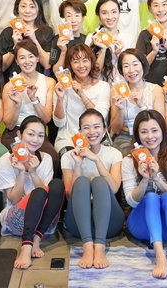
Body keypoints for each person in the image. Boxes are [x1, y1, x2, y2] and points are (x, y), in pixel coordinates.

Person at [122, 110, 167, 279]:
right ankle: (160, 254)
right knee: (151, 197)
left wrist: (157, 177)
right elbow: (131, 201)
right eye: (144, 131)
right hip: (142, 226)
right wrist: (145, 179)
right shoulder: (128, 161)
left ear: (163, 132)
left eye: (154, 130)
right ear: (137, 134)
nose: (150, 136)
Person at [0, 116, 65, 270]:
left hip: (43, 224)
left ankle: (37, 239)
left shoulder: (46, 158)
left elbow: (49, 196)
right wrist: (21, 172)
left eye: (40, 135)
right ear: (19, 135)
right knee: (38, 193)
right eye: (31, 134)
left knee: (56, 185)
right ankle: (26, 246)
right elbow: (14, 200)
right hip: (16, 220)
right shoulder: (5, 160)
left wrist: (33, 172)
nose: (35, 140)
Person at [62, 109, 124, 269]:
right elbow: (70, 193)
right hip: (79, 223)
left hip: (108, 222)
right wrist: (78, 164)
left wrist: (96, 160)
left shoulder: (114, 154)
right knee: (82, 182)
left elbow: (114, 188)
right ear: (79, 131)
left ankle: (100, 247)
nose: (92, 132)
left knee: (99, 182)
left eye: (96, 126)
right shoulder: (68, 157)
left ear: (104, 130)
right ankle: (88, 247)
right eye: (86, 127)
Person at [1, 40, 58, 173]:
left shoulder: (49, 82)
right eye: (22, 57)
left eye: (31, 56)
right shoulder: (9, 86)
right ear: (17, 61)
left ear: (37, 58)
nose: (27, 61)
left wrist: (33, 99)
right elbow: (9, 125)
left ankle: (43, 186)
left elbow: (46, 118)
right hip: (15, 132)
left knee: (53, 157)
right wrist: (18, 103)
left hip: (37, 133)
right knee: (14, 158)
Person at [53, 44, 110, 155]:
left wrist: (82, 95)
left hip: (96, 139)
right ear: (70, 65)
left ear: (91, 62)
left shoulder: (103, 86)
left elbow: (100, 117)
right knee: (71, 157)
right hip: (69, 139)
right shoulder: (62, 87)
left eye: (85, 60)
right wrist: (60, 98)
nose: (81, 65)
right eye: (76, 62)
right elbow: (59, 123)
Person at [109, 48, 165, 156]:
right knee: (128, 155)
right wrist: (120, 109)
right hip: (126, 137)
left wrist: (142, 106)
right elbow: (116, 130)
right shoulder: (116, 92)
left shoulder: (156, 90)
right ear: (121, 70)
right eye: (126, 66)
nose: (131, 70)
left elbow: (160, 124)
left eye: (135, 64)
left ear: (143, 65)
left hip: (151, 136)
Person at [0, 0, 54, 82]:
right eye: (23, 6)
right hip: (13, 83)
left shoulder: (46, 32)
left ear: (39, 9)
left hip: (38, 83)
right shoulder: (8, 33)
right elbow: (0, 67)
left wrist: (34, 40)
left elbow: (47, 65)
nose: (27, 11)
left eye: (32, 7)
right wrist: (15, 46)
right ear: (17, 9)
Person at [85, 0, 136, 83]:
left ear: (119, 13)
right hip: (98, 88)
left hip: (122, 88)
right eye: (104, 13)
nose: (110, 17)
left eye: (114, 12)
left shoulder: (129, 38)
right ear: (98, 15)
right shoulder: (91, 38)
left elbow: (132, 71)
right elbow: (93, 74)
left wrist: (119, 54)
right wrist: (103, 50)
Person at [50, 0, 88, 74]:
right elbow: (56, 71)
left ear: (83, 18)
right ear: (63, 18)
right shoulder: (57, 40)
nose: (73, 20)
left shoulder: (87, 40)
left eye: (77, 15)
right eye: (69, 16)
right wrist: (63, 51)